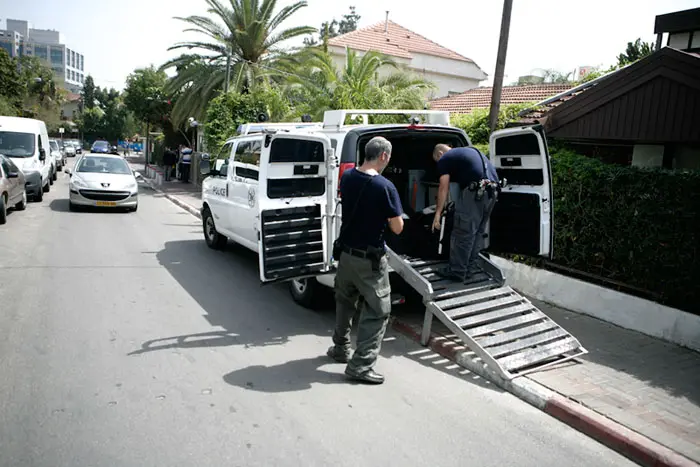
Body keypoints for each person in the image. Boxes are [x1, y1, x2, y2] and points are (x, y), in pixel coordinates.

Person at [328, 136, 404, 385]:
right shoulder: (384, 186)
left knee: (344, 302)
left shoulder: (348, 177)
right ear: (383, 156)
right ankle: (360, 366)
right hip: (369, 262)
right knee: (379, 311)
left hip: (346, 255)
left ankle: (340, 348)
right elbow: (397, 228)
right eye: (389, 157)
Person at [431, 144, 500, 282]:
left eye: (437, 162)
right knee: (476, 233)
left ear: (440, 154)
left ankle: (456, 271)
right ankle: (469, 269)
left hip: (475, 193)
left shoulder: (445, 158)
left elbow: (443, 187)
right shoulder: (470, 151)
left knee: (463, 232)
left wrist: (437, 213)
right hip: (493, 192)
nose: (440, 165)